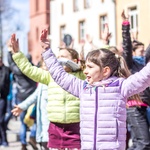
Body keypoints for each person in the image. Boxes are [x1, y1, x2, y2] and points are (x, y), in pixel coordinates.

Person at [38, 29, 150, 150]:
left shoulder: (121, 87)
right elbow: (60, 76)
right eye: (85, 67)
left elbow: (144, 76)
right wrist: (47, 51)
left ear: (105, 71)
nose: (85, 71)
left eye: (90, 67)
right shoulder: (83, 88)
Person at [10, 34, 85, 150]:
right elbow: (29, 70)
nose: (59, 60)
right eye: (58, 57)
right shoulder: (50, 77)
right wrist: (17, 54)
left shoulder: (82, 77)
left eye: (64, 57)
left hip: (75, 127)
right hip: (55, 126)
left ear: (74, 61)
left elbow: (99, 67)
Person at [121, 10, 150, 150]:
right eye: (140, 51)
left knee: (141, 142)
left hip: (145, 105)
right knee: (143, 143)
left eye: (144, 51)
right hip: (134, 106)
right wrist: (126, 25)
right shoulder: (131, 63)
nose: (143, 53)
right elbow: (127, 47)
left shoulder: (145, 65)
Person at [11, 59, 49, 150]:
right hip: (43, 124)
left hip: (51, 124)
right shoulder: (42, 83)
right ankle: (30, 139)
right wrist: (22, 106)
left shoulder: (54, 81)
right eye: (42, 66)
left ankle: (29, 140)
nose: (44, 68)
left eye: (46, 65)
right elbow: (35, 95)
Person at [7, 42, 38, 150]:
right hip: (32, 96)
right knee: (34, 119)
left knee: (23, 122)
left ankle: (23, 144)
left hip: (21, 96)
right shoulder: (33, 69)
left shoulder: (16, 69)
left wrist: (10, 51)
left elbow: (11, 62)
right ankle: (33, 137)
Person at [0, 56, 10, 147]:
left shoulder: (6, 69)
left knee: (1, 120)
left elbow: (3, 83)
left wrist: (11, 53)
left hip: (2, 98)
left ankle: (4, 140)